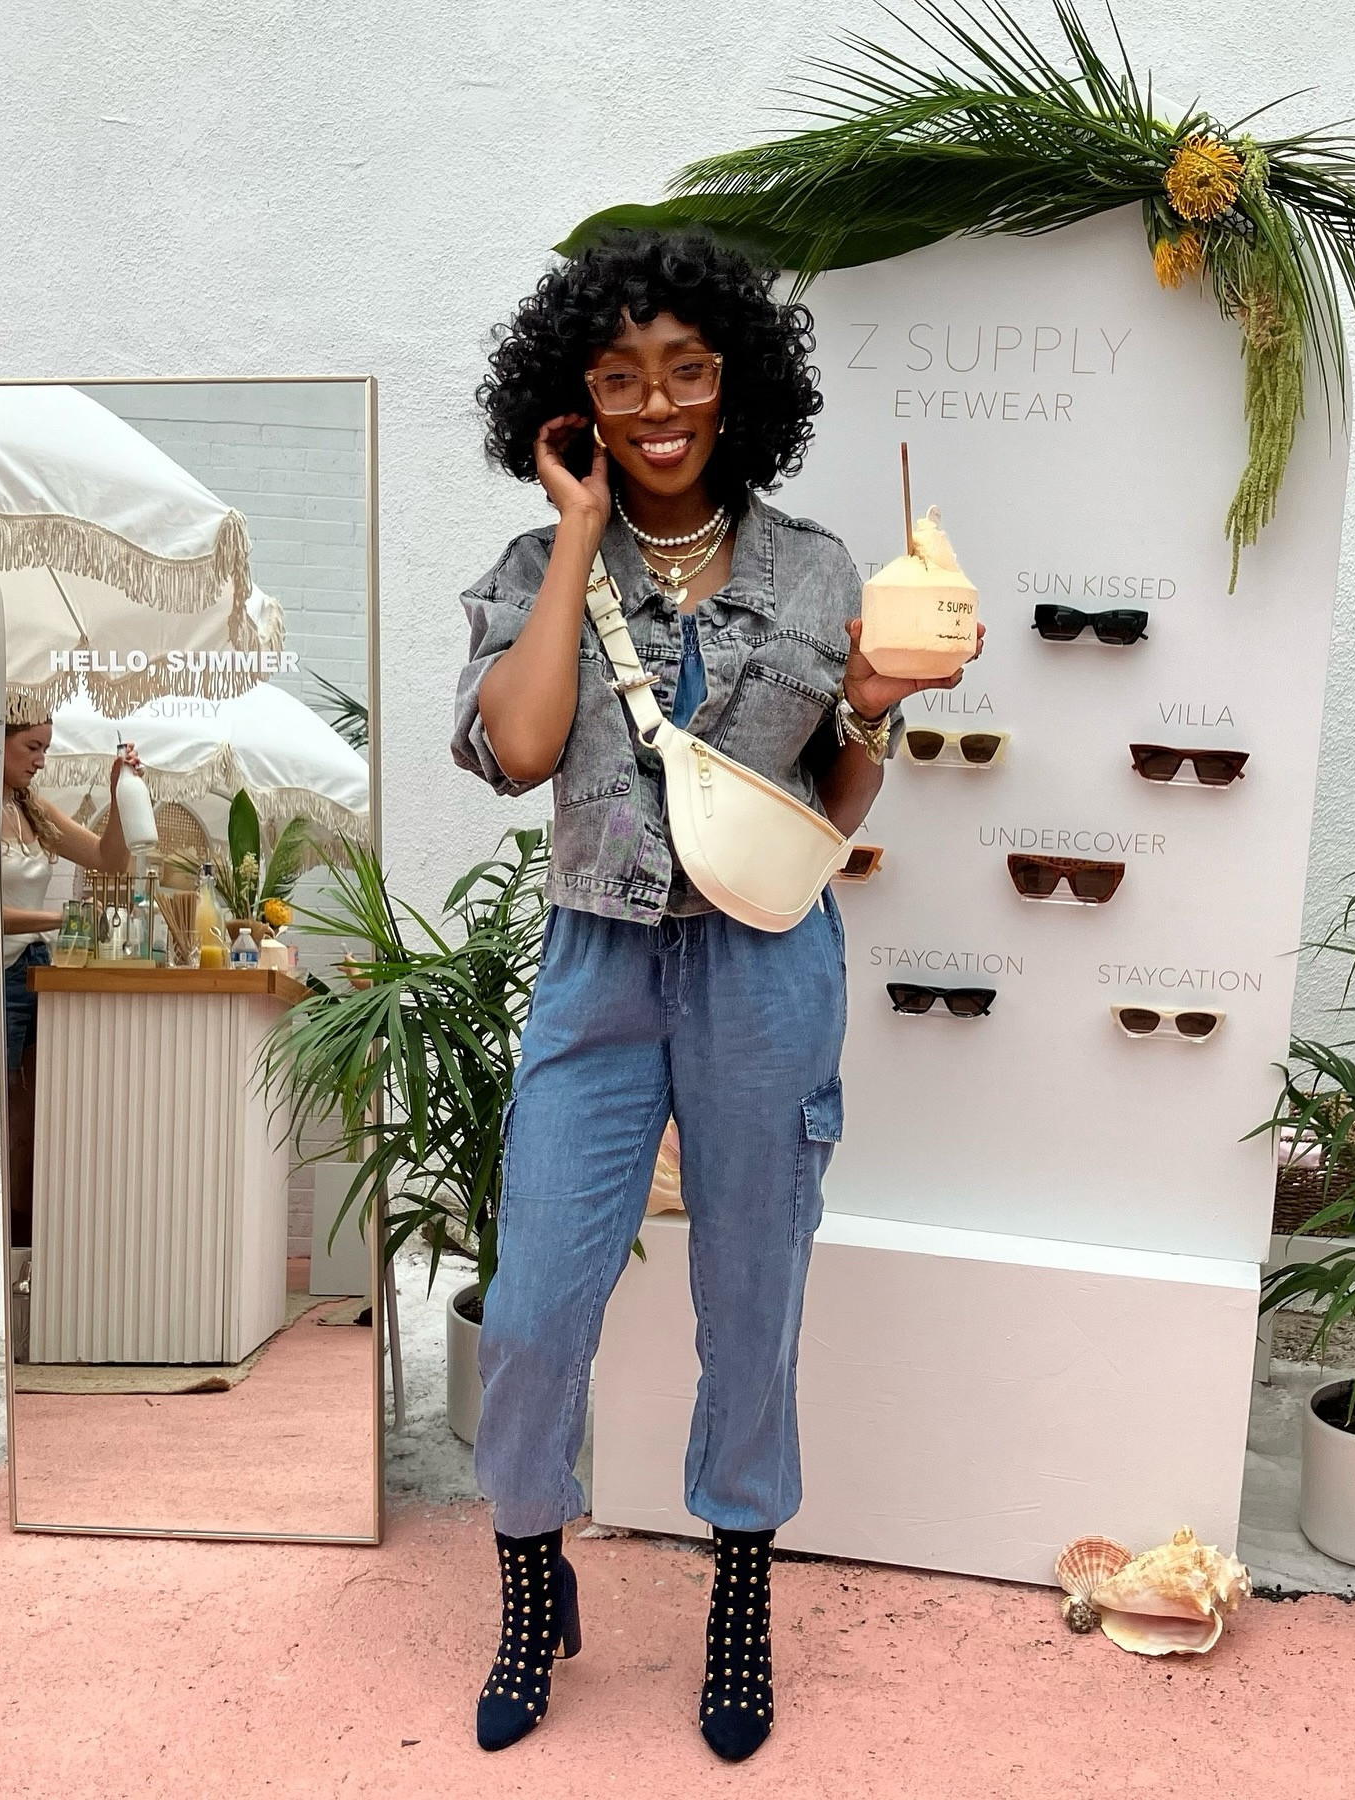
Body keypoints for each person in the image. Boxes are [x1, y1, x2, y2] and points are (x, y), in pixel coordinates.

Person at [452, 231, 983, 1760]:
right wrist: (574, 533)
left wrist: (871, 711)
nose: (658, 402)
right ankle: (528, 1568)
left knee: (752, 1297)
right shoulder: (532, 568)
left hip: (764, 964)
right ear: (578, 405)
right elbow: (527, 749)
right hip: (598, 966)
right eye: (621, 380)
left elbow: (828, 804)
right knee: (542, 1305)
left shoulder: (818, 567)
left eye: (685, 369)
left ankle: (738, 1590)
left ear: (733, 377)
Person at [1, 712, 142, 1248]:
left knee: (37, 1115)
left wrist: (119, 794)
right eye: (32, 747)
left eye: (45, 749)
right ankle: (9, 1245)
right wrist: (64, 918)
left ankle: (34, 1243)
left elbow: (110, 860)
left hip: (38, 969)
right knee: (7, 1113)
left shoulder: (31, 811)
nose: (40, 761)